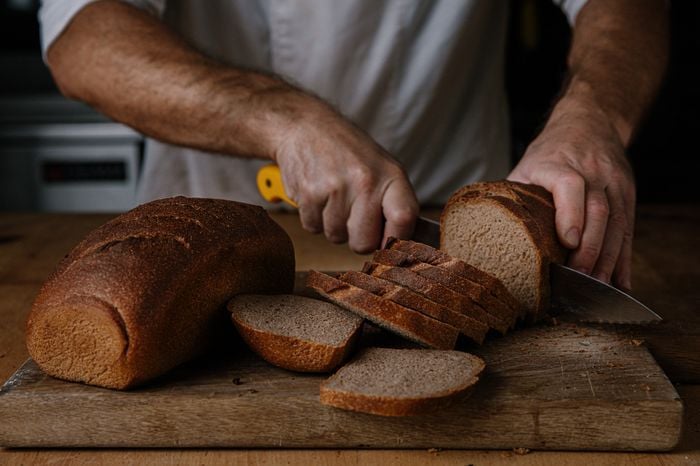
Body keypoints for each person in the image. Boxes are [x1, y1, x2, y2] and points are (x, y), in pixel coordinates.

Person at [39, 0, 668, 291]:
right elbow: (83, 36)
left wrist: (593, 115)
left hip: (457, 213)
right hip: (201, 233)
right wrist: (283, 119)